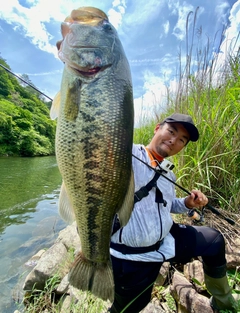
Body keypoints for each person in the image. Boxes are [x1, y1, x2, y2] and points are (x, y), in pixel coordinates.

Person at [108, 113, 237, 313]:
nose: (174, 140)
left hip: (166, 240)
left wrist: (187, 202)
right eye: (171, 131)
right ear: (157, 128)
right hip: (132, 257)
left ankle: (223, 302)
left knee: (213, 240)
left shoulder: (169, 172)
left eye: (182, 140)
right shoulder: (126, 154)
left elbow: (167, 205)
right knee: (129, 308)